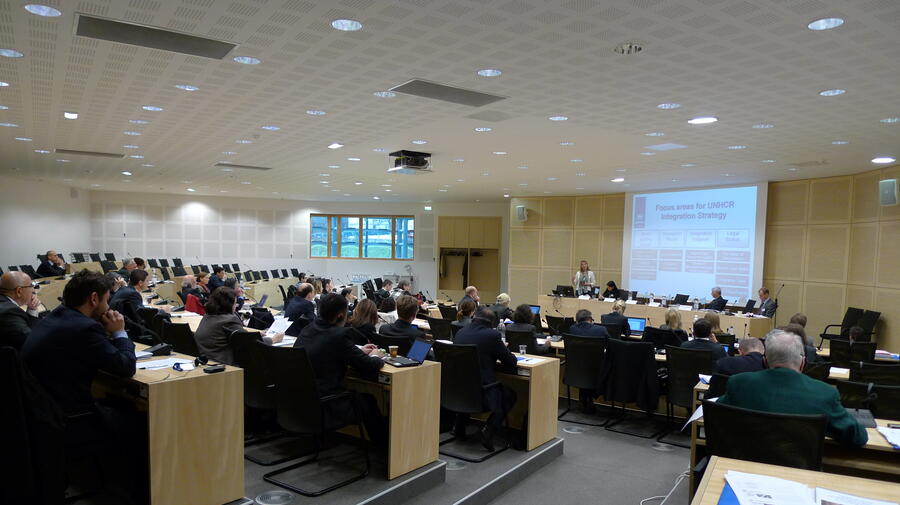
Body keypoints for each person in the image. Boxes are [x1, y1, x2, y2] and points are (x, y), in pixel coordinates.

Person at [21, 270, 142, 502]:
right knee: (139, 419)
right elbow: (126, 366)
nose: (108, 307)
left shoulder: (58, 316)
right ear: (94, 299)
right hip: (69, 418)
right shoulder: (84, 328)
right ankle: (130, 492)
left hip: (44, 413)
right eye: (107, 300)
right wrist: (119, 332)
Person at [717, 329, 868, 447]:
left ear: (765, 362)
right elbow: (858, 437)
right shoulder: (825, 393)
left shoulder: (739, 383)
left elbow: (716, 415)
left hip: (744, 467)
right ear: (802, 363)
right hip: (801, 471)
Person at [295, 293, 387, 449]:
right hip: (327, 403)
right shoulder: (339, 335)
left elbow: (328, 349)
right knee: (368, 400)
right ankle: (384, 450)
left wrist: (357, 351)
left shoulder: (308, 328)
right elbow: (370, 366)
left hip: (303, 400)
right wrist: (376, 356)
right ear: (340, 315)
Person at [453, 307, 518, 450]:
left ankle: (459, 427)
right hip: (483, 394)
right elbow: (511, 362)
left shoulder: (460, 332)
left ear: (474, 317)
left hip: (458, 393)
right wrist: (503, 348)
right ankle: (488, 429)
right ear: (492, 323)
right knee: (510, 395)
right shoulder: (492, 336)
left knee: (470, 382)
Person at [194, 287, 282, 365]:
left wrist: (255, 334)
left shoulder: (207, 316)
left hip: (207, 361)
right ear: (228, 304)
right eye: (235, 303)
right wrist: (273, 339)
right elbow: (250, 344)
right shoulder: (229, 320)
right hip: (225, 366)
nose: (236, 306)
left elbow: (240, 336)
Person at [566, 309, 609, 413]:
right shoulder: (601, 330)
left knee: (584, 366)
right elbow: (610, 345)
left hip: (575, 371)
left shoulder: (572, 329)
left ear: (577, 320)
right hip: (595, 370)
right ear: (590, 319)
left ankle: (584, 399)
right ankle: (588, 399)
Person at [0, 271, 42, 350]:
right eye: (31, 286)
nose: (34, 290)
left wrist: (32, 308)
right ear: (19, 291)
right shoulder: (9, 312)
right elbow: (32, 342)